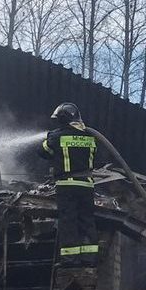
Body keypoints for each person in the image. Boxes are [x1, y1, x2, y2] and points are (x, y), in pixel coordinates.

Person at [40, 102, 99, 267]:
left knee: (69, 221)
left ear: (62, 119)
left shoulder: (56, 136)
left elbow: (43, 152)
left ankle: (70, 259)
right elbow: (94, 155)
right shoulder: (91, 137)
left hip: (67, 185)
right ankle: (90, 259)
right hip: (87, 185)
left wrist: (49, 139)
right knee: (87, 220)